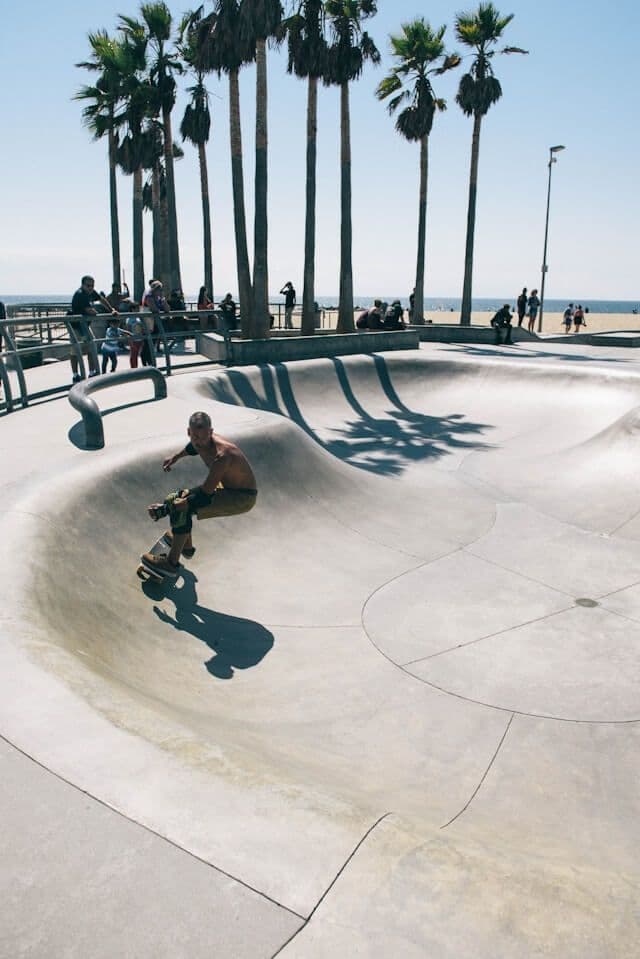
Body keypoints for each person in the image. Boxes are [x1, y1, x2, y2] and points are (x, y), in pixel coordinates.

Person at [142, 410, 258, 578]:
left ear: (211, 433)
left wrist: (166, 509)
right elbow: (193, 448)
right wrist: (175, 457)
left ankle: (171, 564)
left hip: (242, 497)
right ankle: (185, 546)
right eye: (194, 437)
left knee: (183, 507)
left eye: (203, 438)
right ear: (189, 432)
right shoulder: (198, 441)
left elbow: (204, 496)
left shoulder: (222, 456)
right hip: (228, 488)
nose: (199, 443)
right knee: (175, 498)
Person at [69, 275, 116, 382]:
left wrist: (111, 310)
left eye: (92, 285)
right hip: (76, 327)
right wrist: (93, 311)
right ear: (82, 285)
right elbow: (90, 310)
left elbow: (101, 299)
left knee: (92, 347)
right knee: (75, 351)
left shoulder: (91, 292)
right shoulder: (80, 294)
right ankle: (76, 375)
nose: (90, 288)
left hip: (85, 326)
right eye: (88, 286)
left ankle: (91, 372)